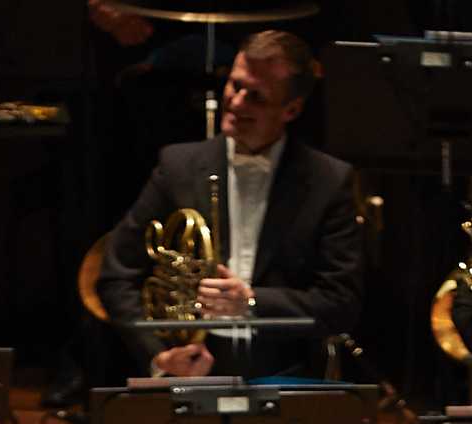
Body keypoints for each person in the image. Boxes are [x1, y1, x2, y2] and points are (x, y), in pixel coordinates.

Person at [96, 29, 364, 382]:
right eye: (235, 85)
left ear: (292, 109)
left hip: (288, 373)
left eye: (256, 96)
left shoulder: (330, 181)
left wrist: (252, 302)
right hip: (191, 369)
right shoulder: (178, 166)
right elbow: (117, 274)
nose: (236, 103)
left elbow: (341, 303)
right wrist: (160, 355)